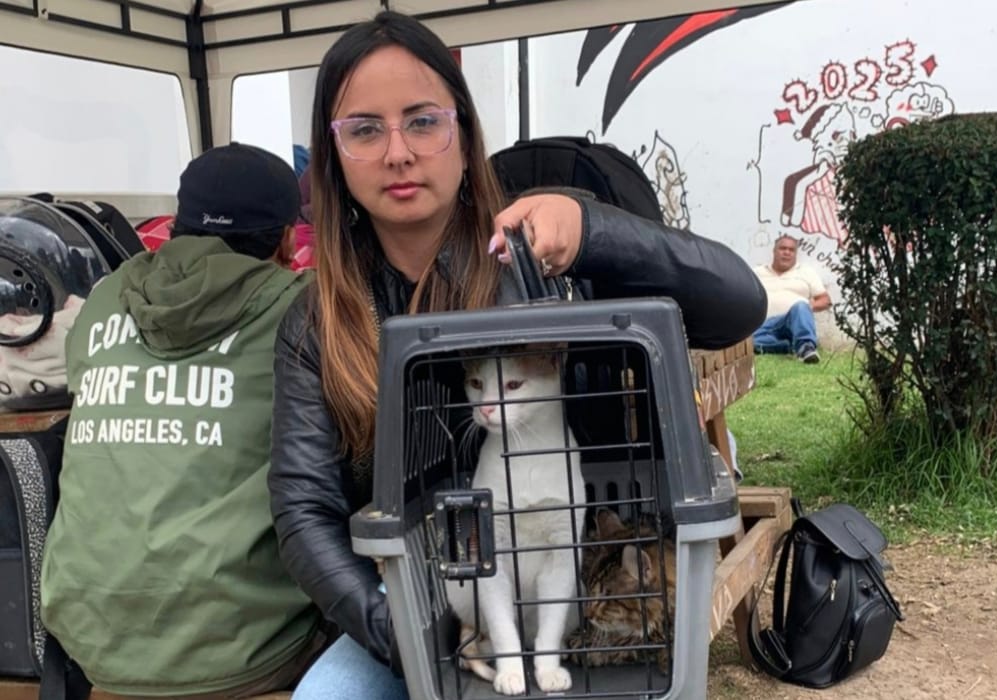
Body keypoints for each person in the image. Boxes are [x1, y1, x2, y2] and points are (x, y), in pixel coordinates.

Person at [267, 11, 767, 700]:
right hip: (411, 603)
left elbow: (737, 303)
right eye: (364, 129)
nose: (398, 153)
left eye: (423, 121)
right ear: (333, 155)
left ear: (466, 136)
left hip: (578, 591)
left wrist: (594, 232)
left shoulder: (546, 257)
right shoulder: (316, 320)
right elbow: (303, 511)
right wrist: (408, 637)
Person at [40, 143, 325, 698]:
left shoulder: (104, 299)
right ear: (289, 242)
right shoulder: (307, 308)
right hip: (247, 649)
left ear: (175, 226)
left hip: (88, 640)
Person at [752, 234, 831, 363]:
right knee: (746, 343)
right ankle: (788, 346)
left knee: (800, 305)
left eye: (791, 250)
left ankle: (805, 348)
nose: (787, 253)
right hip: (763, 325)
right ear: (774, 251)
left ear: (796, 254)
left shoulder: (806, 272)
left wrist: (806, 308)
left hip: (793, 322)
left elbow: (825, 300)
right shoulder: (757, 273)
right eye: (782, 248)